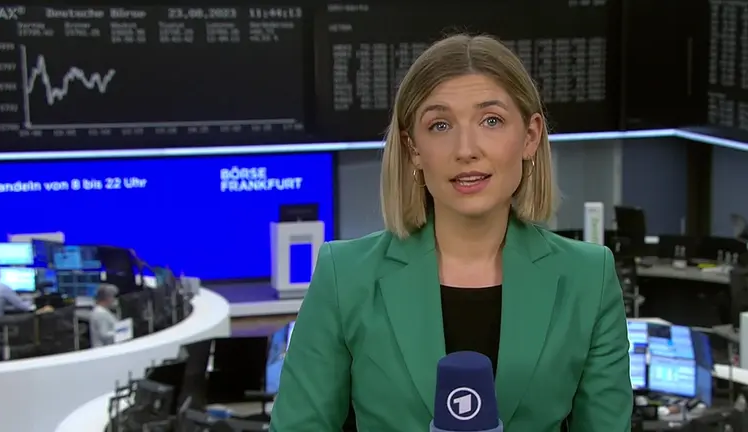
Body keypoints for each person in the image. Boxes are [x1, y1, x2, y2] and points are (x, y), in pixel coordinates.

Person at [270, 34, 631, 432]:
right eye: (440, 125)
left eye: (491, 121)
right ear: (413, 148)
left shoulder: (589, 279)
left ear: (530, 137)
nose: (466, 149)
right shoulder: (345, 276)